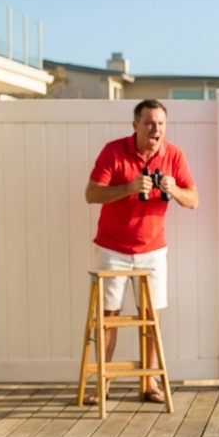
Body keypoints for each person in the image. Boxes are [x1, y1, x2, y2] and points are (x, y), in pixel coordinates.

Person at [84, 99, 198, 404]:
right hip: (112, 247)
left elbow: (193, 199)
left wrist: (173, 189)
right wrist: (129, 188)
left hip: (152, 250)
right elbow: (91, 194)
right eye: (149, 123)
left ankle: (149, 383)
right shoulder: (113, 151)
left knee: (151, 316)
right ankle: (104, 382)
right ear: (135, 126)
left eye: (160, 124)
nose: (155, 129)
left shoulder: (173, 154)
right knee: (108, 316)